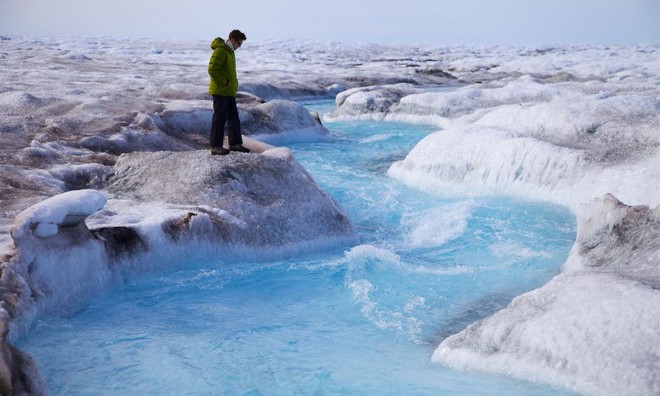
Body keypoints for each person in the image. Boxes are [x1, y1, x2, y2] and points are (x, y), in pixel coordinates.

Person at [208, 29, 249, 155]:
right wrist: (225, 82)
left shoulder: (230, 51)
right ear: (232, 40)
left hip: (228, 91)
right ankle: (215, 146)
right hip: (220, 91)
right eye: (239, 43)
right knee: (219, 119)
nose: (240, 46)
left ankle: (235, 144)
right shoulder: (221, 50)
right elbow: (212, 69)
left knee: (233, 118)